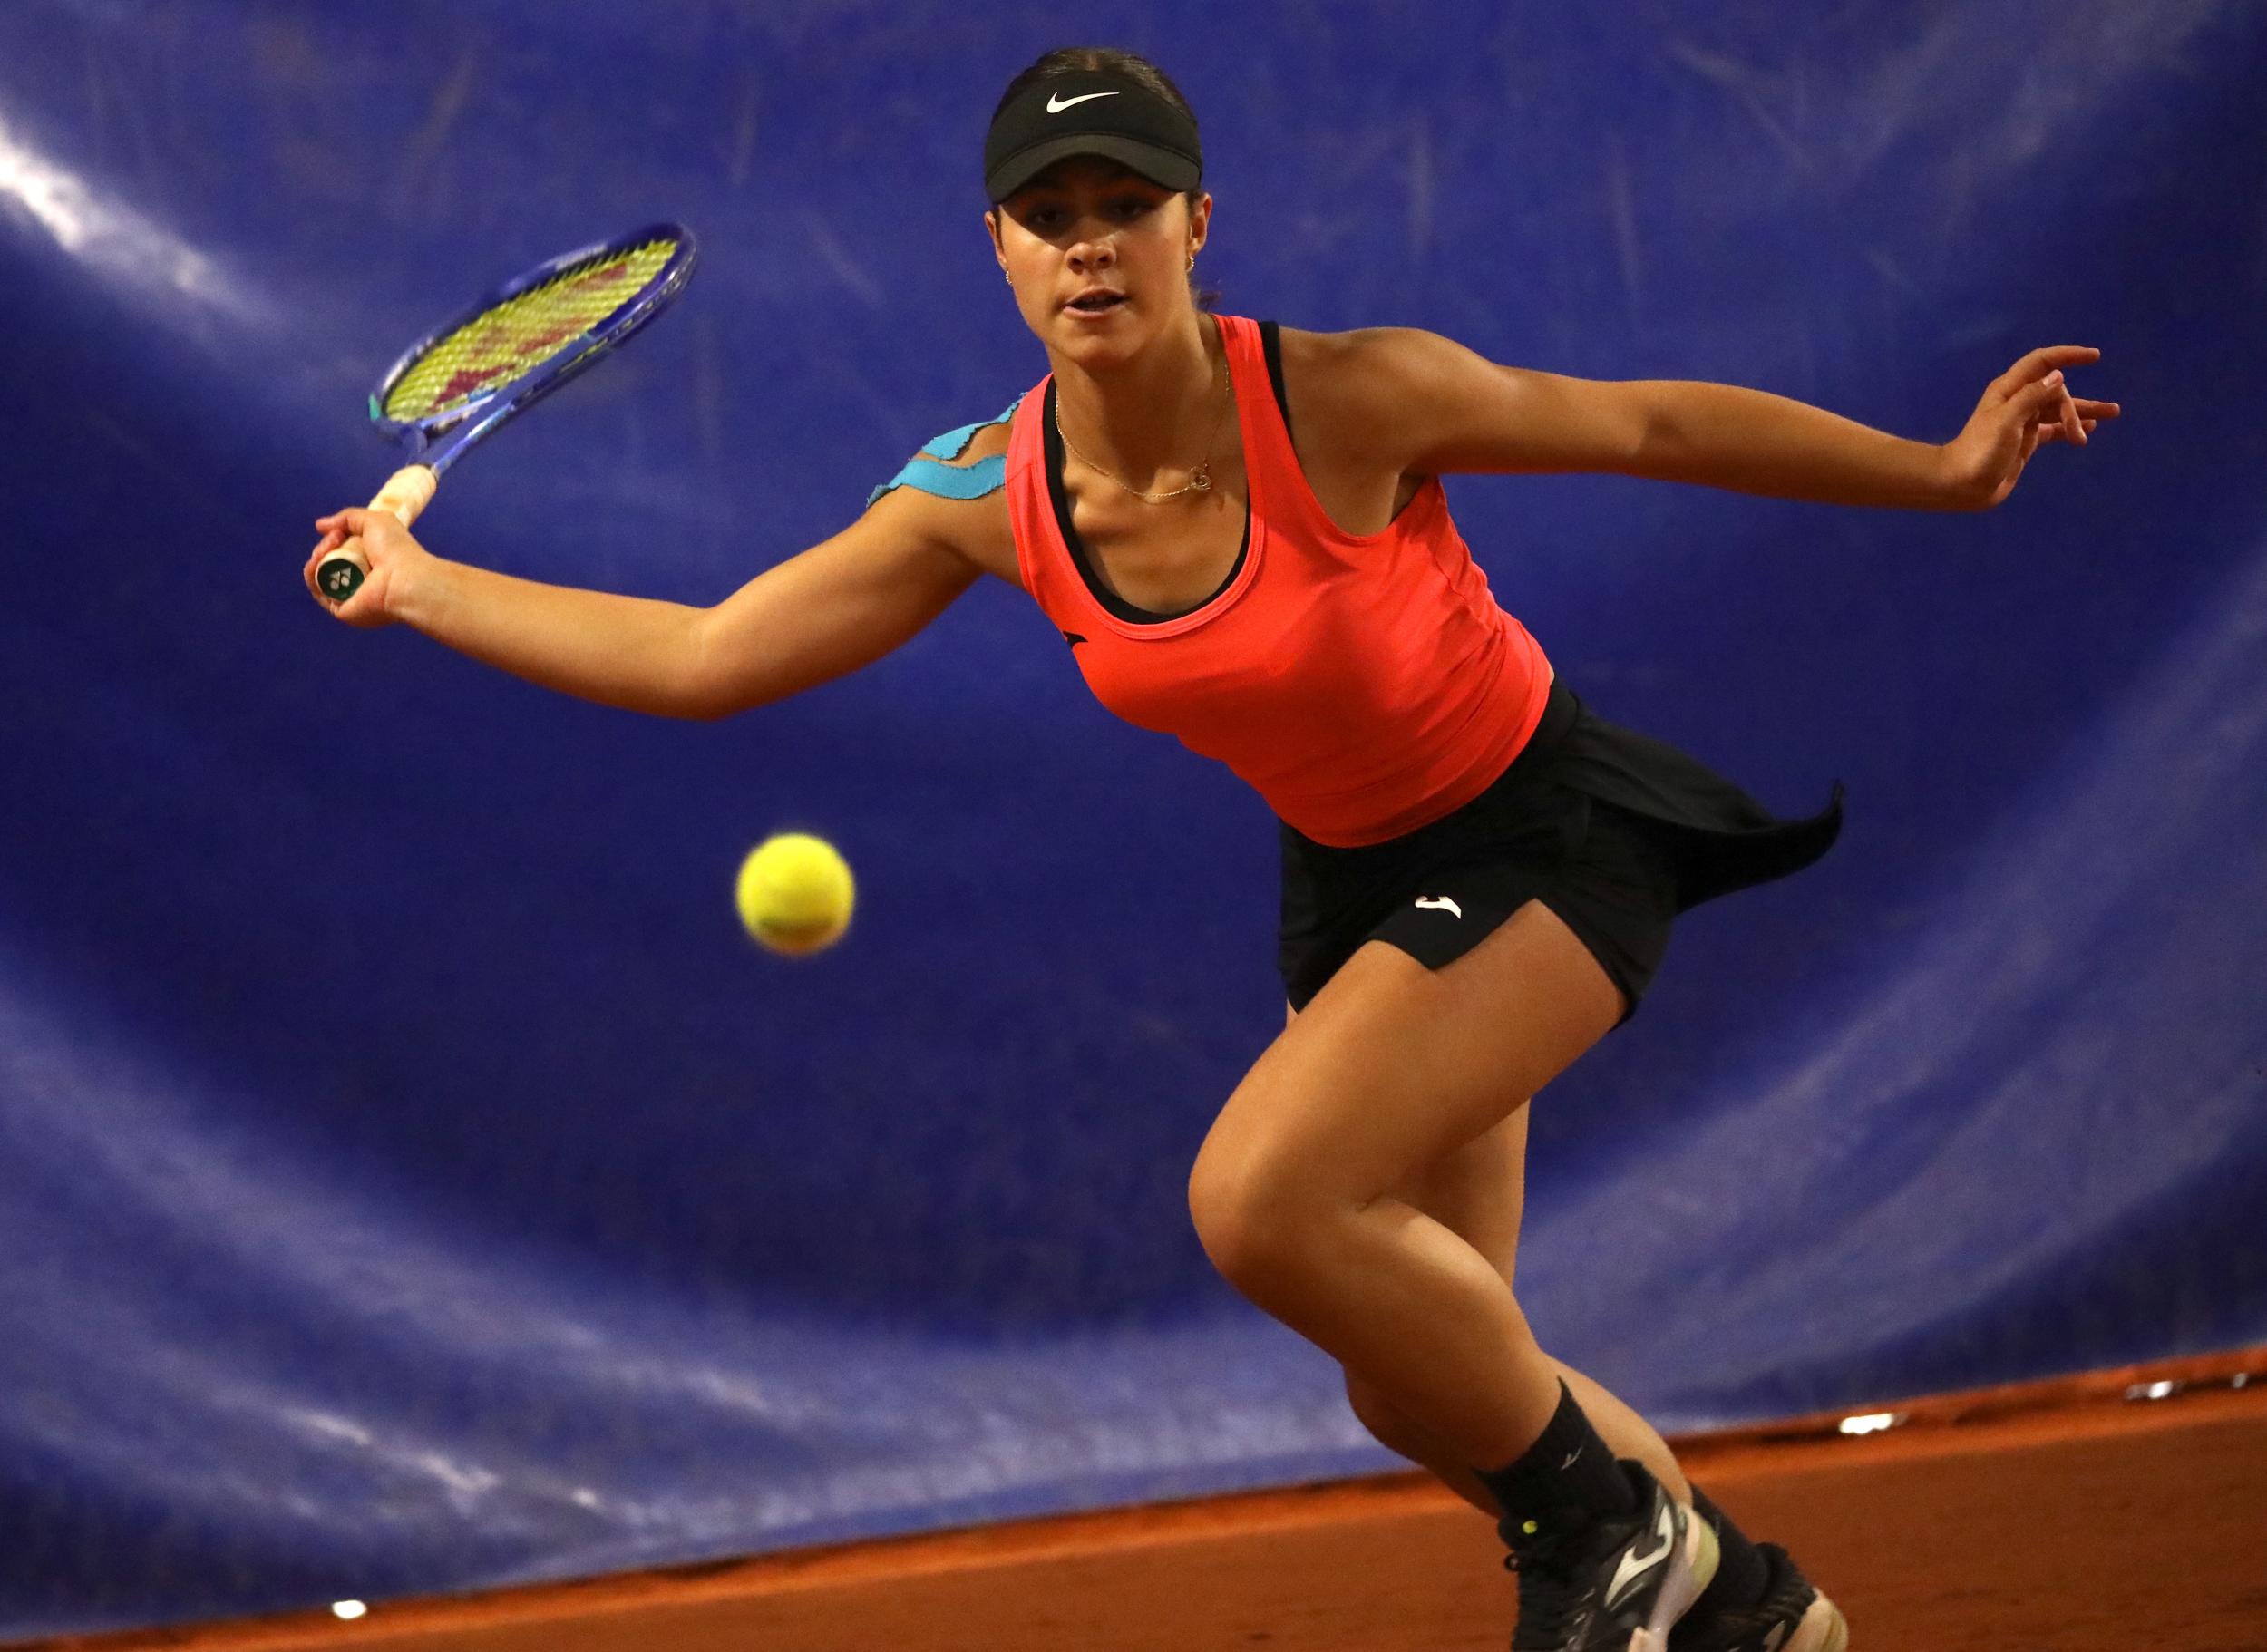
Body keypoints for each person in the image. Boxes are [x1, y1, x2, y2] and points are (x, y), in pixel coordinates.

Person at [303, 44, 2116, 1652]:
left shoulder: (1348, 397)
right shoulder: (978, 496)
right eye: (1050, 216)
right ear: (998, 249)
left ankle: (1618, 1538)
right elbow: (709, 656)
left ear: (1195, 225)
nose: (1090, 247)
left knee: (1260, 1200)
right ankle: (1741, 1604)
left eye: (1126, 208)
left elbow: (1647, 421)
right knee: (1427, 1381)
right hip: (1359, 888)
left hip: (1544, 832)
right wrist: (424, 587)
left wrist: (1941, 465)